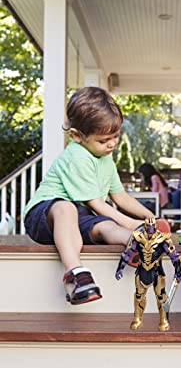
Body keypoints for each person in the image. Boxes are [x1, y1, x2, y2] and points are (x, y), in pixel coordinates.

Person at [23, 87, 155, 305]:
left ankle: (136, 244)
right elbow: (97, 203)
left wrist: (150, 219)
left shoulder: (105, 158)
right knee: (67, 209)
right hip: (45, 214)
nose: (112, 144)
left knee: (104, 226)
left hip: (80, 215)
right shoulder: (77, 156)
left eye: (115, 136)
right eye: (104, 140)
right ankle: (75, 274)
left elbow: (120, 196)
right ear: (77, 136)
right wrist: (133, 222)